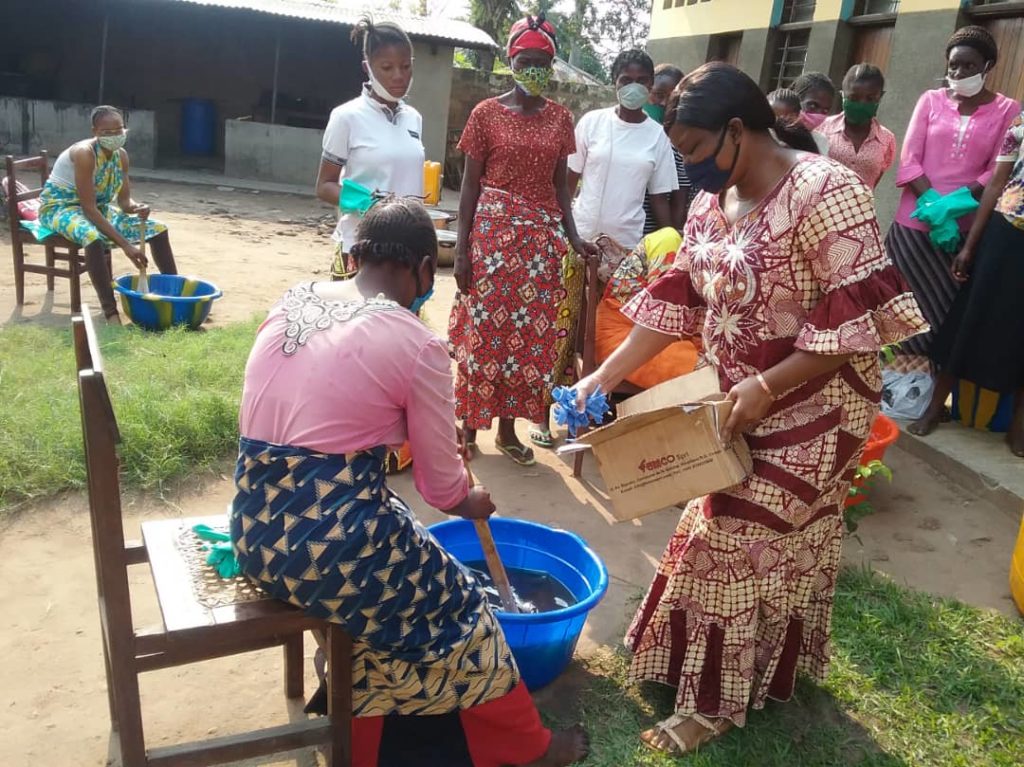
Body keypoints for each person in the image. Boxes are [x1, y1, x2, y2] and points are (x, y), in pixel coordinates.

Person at [573, 62, 926, 755]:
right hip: (733, 400)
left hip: (819, 404)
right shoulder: (712, 202)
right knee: (721, 523)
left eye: (699, 150)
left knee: (733, 537)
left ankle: (718, 700)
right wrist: (602, 375)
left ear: (739, 130)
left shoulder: (827, 191)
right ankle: (723, 664)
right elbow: (678, 300)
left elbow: (855, 326)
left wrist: (768, 386)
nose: (692, 167)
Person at [232, 197, 589, 767]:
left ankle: (365, 747)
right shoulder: (416, 341)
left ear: (354, 256)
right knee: (466, 610)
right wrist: (473, 499)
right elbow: (442, 490)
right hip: (331, 549)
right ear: (425, 269)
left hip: (255, 530)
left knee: (386, 610)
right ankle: (531, 750)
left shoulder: (292, 299)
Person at [448, 14, 594, 466]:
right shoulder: (485, 114)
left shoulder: (561, 119)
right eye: (527, 60)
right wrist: (460, 250)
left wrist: (574, 239)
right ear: (512, 60)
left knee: (527, 341)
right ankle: (469, 429)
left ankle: (509, 433)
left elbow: (560, 191)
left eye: (542, 62)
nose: (535, 69)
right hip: (491, 243)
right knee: (485, 334)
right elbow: (469, 187)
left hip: (541, 248)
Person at [528, 49, 679, 448]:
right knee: (563, 329)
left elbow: (662, 198)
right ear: (614, 82)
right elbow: (568, 184)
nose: (634, 87)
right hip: (577, 241)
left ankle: (594, 409)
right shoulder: (592, 124)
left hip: (624, 251)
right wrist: (562, 230)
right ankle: (544, 413)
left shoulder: (658, 137)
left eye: (642, 81)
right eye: (626, 79)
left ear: (651, 87)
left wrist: (675, 248)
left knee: (601, 335)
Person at [887, 25, 1019, 364]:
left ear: (987, 66)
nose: (959, 73)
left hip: (962, 231)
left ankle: (921, 388)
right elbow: (910, 158)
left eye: (969, 66)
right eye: (953, 66)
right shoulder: (930, 100)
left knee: (941, 311)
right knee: (897, 303)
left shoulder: (1007, 110)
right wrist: (933, 204)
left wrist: (954, 205)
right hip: (913, 226)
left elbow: (996, 170)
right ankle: (885, 382)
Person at [909, 111, 1024, 454]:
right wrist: (971, 247)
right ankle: (934, 408)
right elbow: (996, 183)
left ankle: (1019, 425)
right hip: (1006, 234)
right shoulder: (1019, 126)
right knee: (970, 317)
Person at [37, 105, 176, 323]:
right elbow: (88, 209)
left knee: (158, 229)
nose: (114, 136)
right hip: (61, 208)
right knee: (91, 236)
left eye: (119, 130)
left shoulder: (121, 156)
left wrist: (137, 207)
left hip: (97, 209)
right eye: (107, 133)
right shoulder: (85, 154)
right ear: (95, 132)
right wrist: (126, 246)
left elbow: (124, 202)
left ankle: (175, 296)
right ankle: (110, 311)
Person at [315, 16, 424, 281]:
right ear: (368, 67)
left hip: (406, 249)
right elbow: (324, 186)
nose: (398, 76)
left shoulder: (414, 119)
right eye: (387, 67)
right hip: (360, 245)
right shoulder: (347, 117)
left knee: (399, 322)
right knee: (354, 321)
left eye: (405, 66)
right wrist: (370, 205)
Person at [594, 227, 698, 389]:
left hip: (641, 330)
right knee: (709, 372)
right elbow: (666, 309)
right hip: (624, 336)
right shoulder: (667, 240)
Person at [819, 64, 896, 189]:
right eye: (854, 98)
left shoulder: (886, 140)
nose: (861, 104)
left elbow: (873, 183)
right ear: (843, 95)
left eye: (870, 98)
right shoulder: (822, 129)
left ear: (880, 97)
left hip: (861, 207)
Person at [643, 63, 691, 235]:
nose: (664, 103)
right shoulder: (630, 132)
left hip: (654, 236)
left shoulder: (679, 144)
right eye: (658, 95)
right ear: (646, 90)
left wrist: (670, 238)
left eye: (671, 98)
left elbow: (679, 200)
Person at [791, 71, 835, 155]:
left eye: (825, 110)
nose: (818, 114)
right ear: (796, 100)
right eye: (813, 106)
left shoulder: (821, 142)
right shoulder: (771, 135)